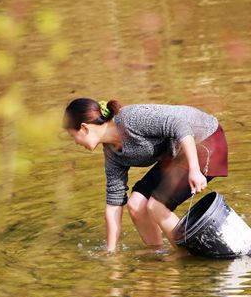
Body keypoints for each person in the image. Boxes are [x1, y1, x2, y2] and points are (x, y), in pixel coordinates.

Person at [63, 98, 228, 253]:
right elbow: (114, 203)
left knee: (156, 206)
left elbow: (180, 127)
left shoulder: (130, 119)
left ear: (84, 128)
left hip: (206, 139)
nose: (76, 142)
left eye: (73, 136)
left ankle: (188, 255)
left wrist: (194, 169)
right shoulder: (112, 154)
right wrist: (111, 252)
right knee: (135, 205)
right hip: (175, 153)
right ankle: (158, 253)